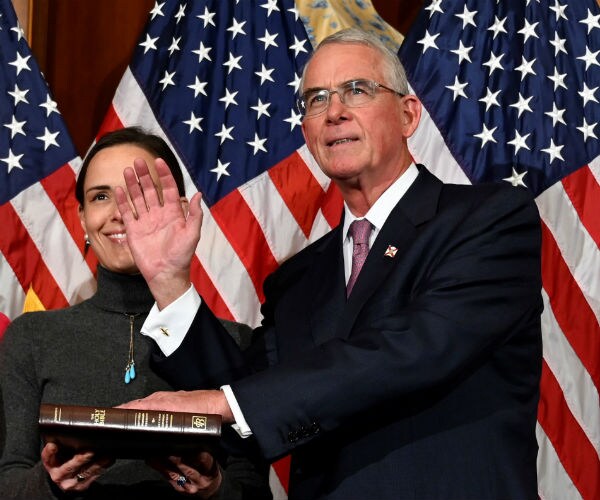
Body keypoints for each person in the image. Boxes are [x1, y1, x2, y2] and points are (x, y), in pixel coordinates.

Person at [116, 28, 544, 500]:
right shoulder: (298, 279)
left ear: (408, 115)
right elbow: (252, 399)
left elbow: (415, 349)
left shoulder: (489, 220)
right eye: (316, 99)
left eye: (357, 90)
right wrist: (169, 281)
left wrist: (227, 403)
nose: (334, 111)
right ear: (307, 132)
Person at [0, 127, 271, 500]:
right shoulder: (31, 337)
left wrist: (214, 489)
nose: (119, 214)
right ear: (82, 218)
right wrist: (51, 483)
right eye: (100, 196)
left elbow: (253, 489)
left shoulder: (234, 341)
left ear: (178, 208)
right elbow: (8, 481)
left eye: (139, 195)